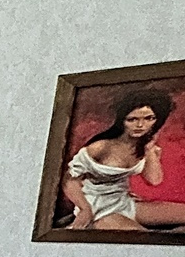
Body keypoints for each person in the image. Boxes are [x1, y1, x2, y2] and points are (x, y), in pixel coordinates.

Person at [64, 90, 185, 231]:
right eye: (132, 119)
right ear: (122, 120)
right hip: (96, 208)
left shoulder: (146, 147)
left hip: (124, 202)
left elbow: (154, 180)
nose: (140, 125)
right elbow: (69, 180)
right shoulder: (101, 147)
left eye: (149, 118)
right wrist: (85, 209)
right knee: (149, 238)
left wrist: (149, 151)